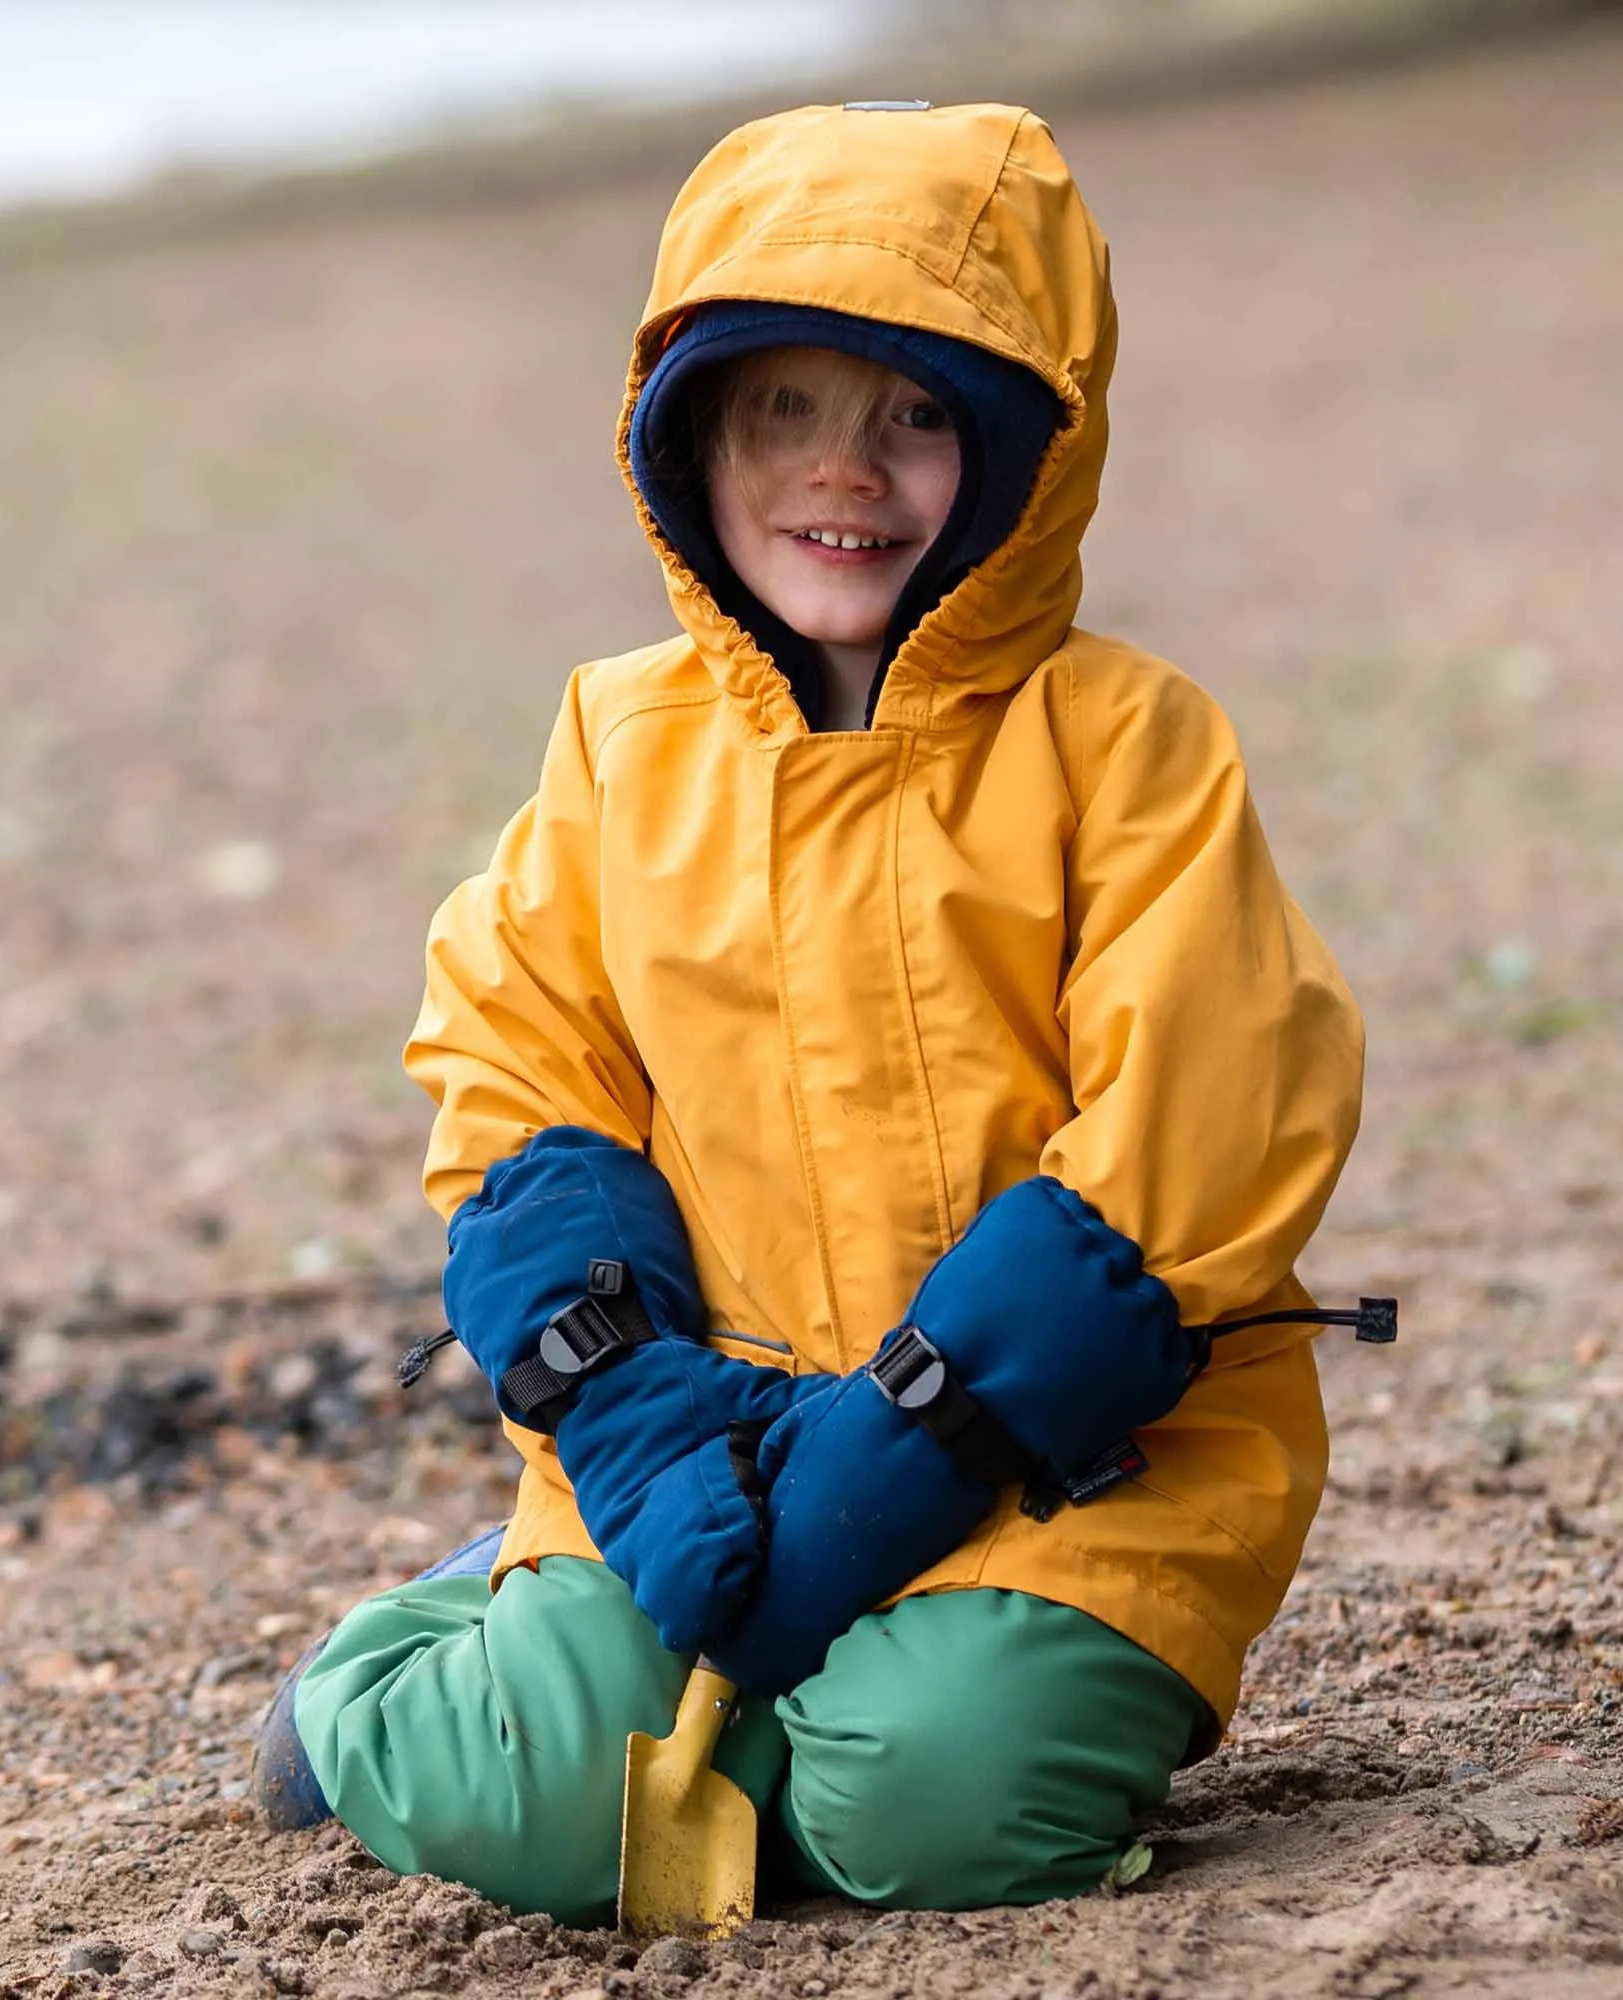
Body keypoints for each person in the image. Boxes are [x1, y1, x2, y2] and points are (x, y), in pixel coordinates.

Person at [254, 99, 1367, 1923]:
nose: (843, 473)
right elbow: (521, 1076)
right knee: (533, 1804)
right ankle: (419, 1655)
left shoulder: (1129, 744)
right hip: (711, 1413)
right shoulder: (622, 742)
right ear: (689, 431)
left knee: (945, 1802)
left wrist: (917, 1440)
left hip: (1070, 1460)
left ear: (1022, 447)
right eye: (786, 407)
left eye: (916, 415)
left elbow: (1208, 1123)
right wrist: (632, 1416)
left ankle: (793, 1688)